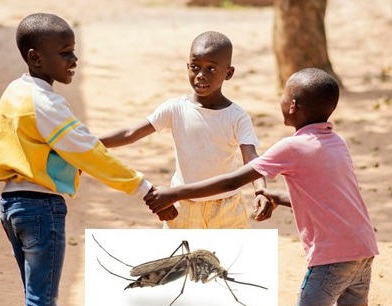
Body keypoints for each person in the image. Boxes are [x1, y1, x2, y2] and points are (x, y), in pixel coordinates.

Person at [145, 68, 379, 306]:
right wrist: (276, 197)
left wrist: (174, 193)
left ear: (292, 105)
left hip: (331, 256)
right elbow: (332, 198)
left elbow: (233, 180)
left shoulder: (291, 147)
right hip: (363, 246)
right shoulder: (337, 142)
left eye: (283, 94)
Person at [0, 13, 176, 306]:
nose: (74, 58)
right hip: (40, 209)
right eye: (64, 53)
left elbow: (64, 145)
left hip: (11, 206)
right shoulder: (46, 103)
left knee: (35, 296)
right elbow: (90, 154)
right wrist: (144, 188)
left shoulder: (14, 93)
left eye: (73, 50)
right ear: (36, 57)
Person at [100, 31, 272, 228]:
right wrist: (87, 145)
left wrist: (261, 191)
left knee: (231, 256)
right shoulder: (175, 108)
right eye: (195, 67)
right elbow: (130, 134)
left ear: (229, 73)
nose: (200, 75)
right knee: (178, 257)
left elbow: (251, 158)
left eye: (211, 69)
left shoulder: (236, 116)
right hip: (181, 207)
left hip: (227, 207)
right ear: (187, 67)